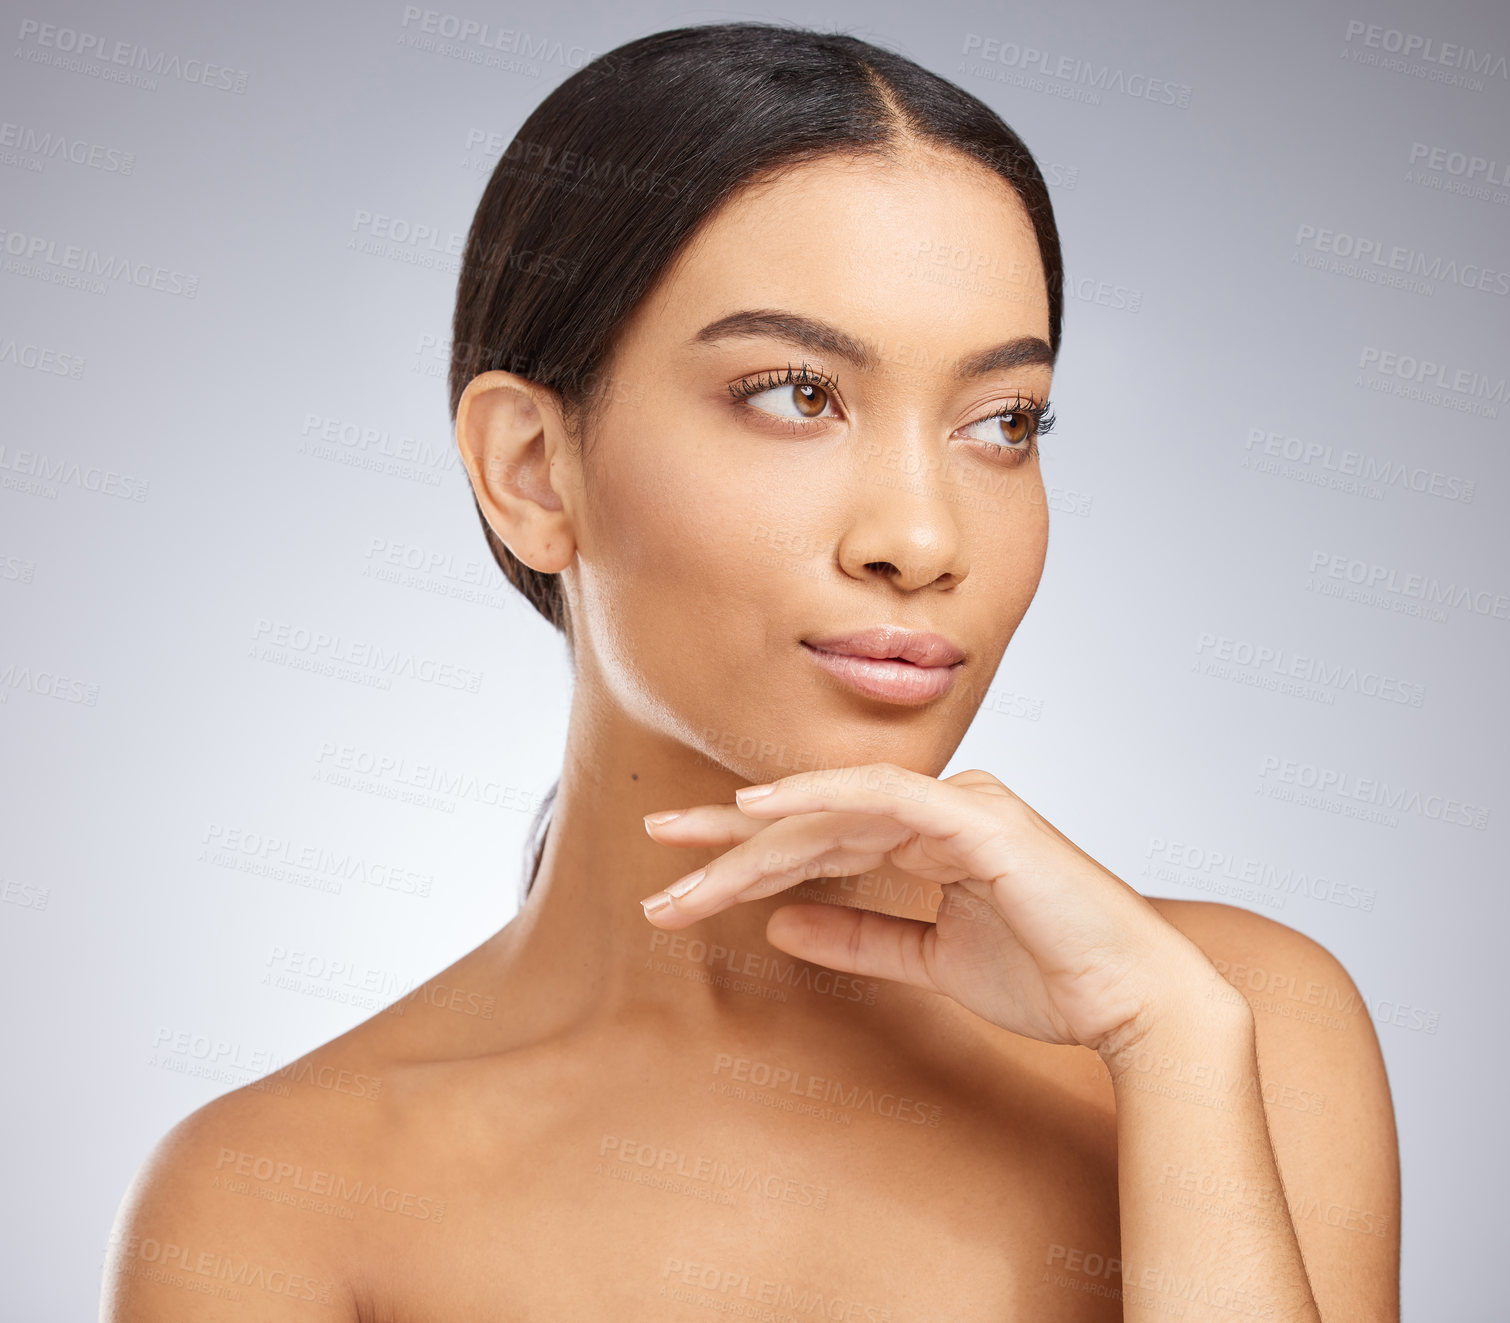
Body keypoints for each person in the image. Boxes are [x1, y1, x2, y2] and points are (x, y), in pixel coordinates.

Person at [101, 21, 1399, 1320]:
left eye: (1000, 423)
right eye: (794, 395)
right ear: (531, 470)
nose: (919, 538)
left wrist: (1164, 1050)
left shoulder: (1233, 1023)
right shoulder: (273, 1199)